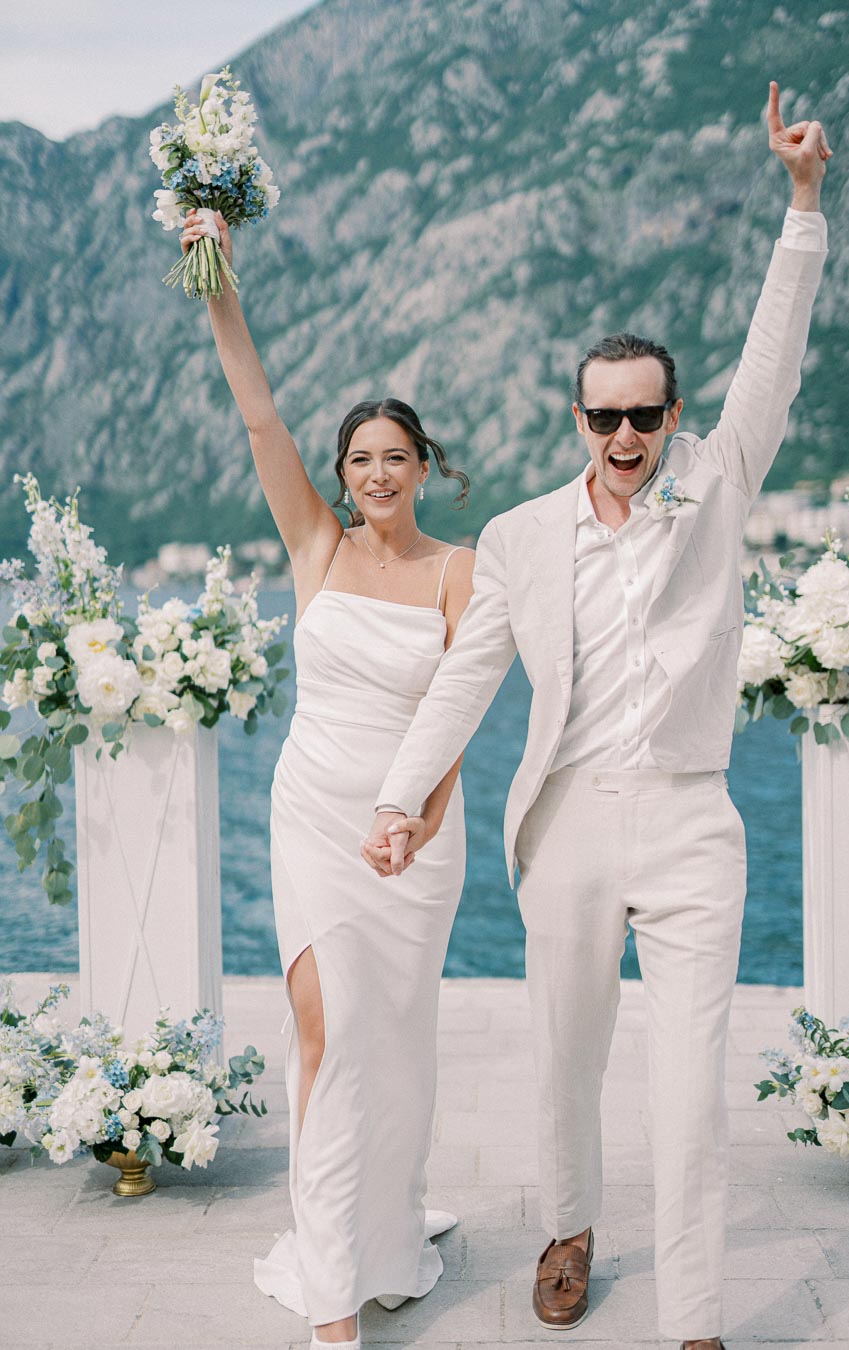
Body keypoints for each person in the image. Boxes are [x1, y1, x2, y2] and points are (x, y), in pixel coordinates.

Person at [362, 83, 831, 1349]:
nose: (626, 433)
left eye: (646, 413)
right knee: (565, 1059)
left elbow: (775, 353)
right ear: (577, 420)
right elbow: (465, 677)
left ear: (672, 418)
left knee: (691, 1095)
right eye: (604, 414)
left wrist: (802, 202)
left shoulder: (719, 483)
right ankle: (568, 1226)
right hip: (563, 822)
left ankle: (694, 1320)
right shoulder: (520, 536)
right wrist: (402, 796)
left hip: (690, 822)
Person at [178, 207, 476, 1348]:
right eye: (361, 459)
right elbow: (259, 412)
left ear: (423, 468)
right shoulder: (317, 546)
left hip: (414, 837)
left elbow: (453, 726)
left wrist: (417, 820)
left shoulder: (459, 572)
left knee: (394, 1040)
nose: (378, 473)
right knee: (331, 1030)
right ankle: (333, 1297)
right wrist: (220, 285)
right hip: (312, 816)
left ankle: (378, 1222)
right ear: (344, 476)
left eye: (397, 456)